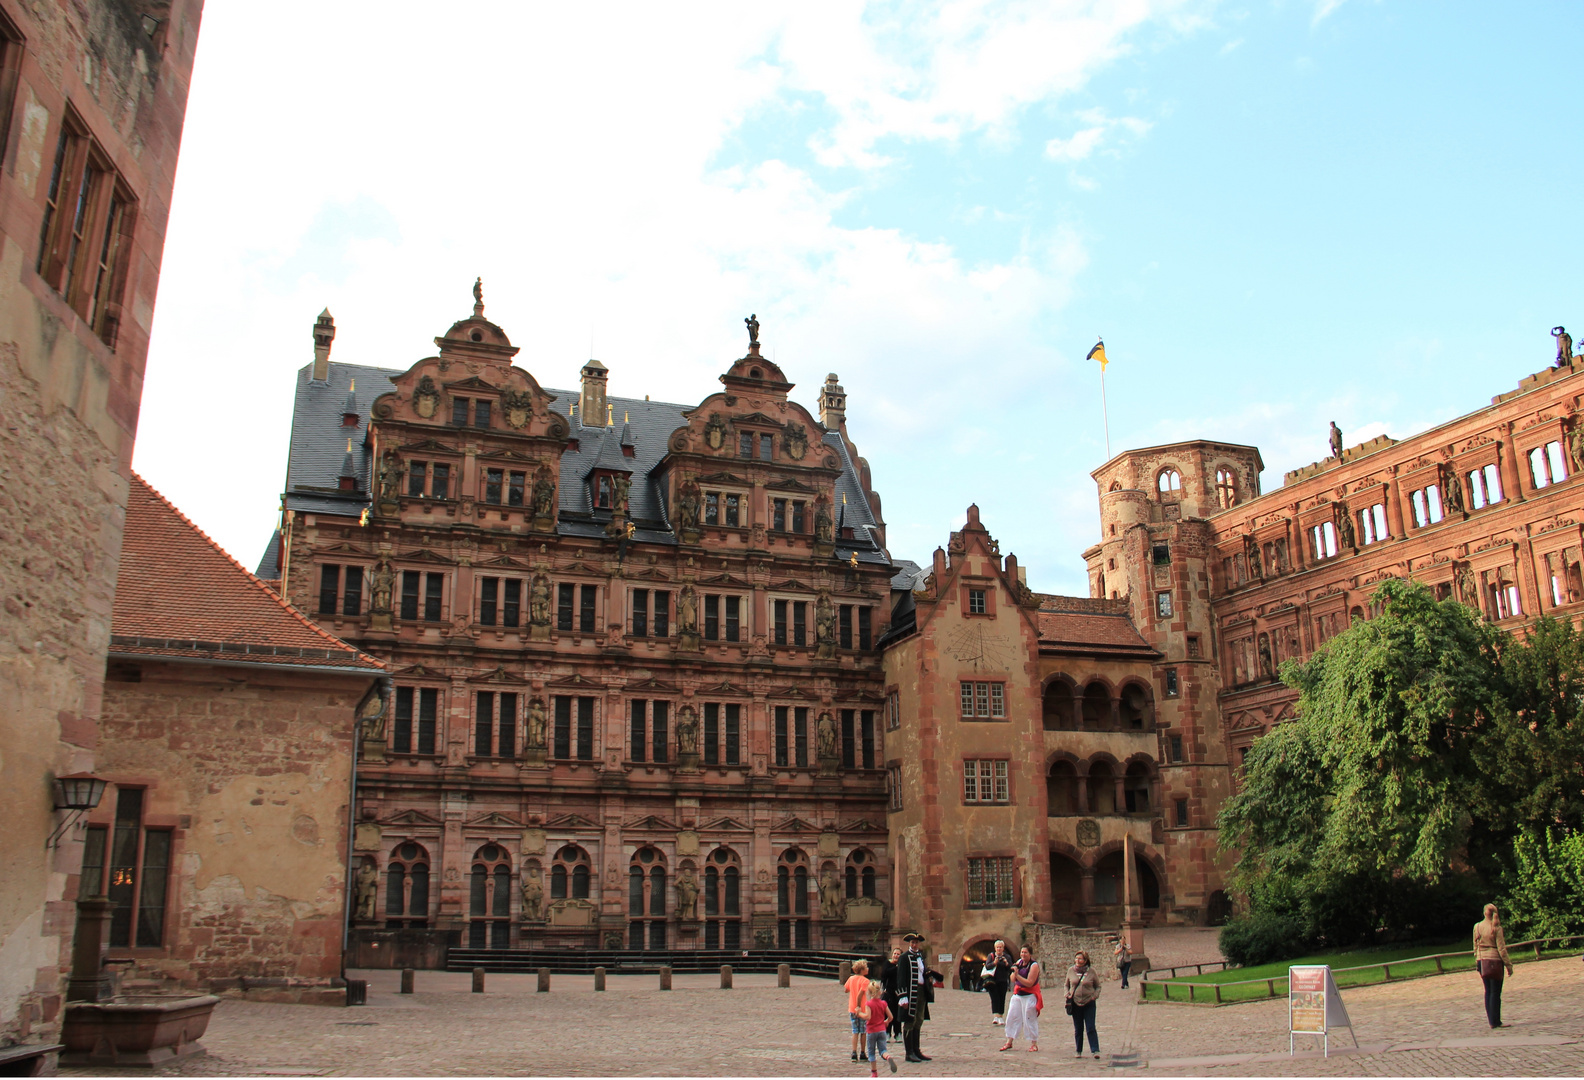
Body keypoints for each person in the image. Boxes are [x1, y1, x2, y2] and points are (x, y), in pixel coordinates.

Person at [899, 933, 942, 1063]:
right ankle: (909, 1052)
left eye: (916, 942)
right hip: (911, 992)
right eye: (912, 942)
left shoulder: (920, 957)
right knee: (910, 1020)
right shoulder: (904, 957)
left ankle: (916, 1050)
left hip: (921, 991)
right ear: (909, 943)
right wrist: (903, 996)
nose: (914, 944)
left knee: (919, 1019)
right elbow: (900, 978)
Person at [1474, 903, 1514, 1028]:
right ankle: (1496, 1020)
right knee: (1496, 992)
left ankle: (1491, 1019)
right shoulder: (1496, 927)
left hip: (1482, 960)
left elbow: (1475, 945)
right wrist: (1508, 964)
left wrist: (1477, 959)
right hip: (1494, 960)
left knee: (1488, 991)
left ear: (1484, 913)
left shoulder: (1477, 926)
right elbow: (1501, 948)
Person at [999, 945, 1041, 1053]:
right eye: (1022, 952)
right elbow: (1012, 979)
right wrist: (1015, 973)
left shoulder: (1033, 965)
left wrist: (1018, 976)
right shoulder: (1019, 963)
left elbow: (1029, 982)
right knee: (1012, 1016)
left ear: (1030, 954)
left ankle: (1033, 1043)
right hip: (1018, 994)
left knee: (1029, 1018)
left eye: (1025, 952)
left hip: (1029, 994)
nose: (1023, 954)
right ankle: (1009, 1040)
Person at [1065, 949, 1102, 1059]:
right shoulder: (1071, 971)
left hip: (1088, 1002)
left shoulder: (1091, 972)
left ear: (1085, 960)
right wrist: (1067, 994)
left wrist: (1094, 996)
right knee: (1078, 1028)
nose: (1077, 960)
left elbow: (1098, 986)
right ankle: (1078, 1050)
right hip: (1075, 1003)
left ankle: (1095, 1050)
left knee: (1090, 1027)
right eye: (1076, 958)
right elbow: (1066, 984)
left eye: (1080, 958)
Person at [858, 978, 897, 1075]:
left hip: (872, 1031)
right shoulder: (883, 1003)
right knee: (883, 1050)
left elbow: (868, 1016)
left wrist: (859, 1014)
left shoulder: (869, 1004)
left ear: (869, 993)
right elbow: (891, 1017)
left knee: (871, 1052)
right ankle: (888, 1057)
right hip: (881, 1030)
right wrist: (886, 1022)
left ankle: (874, 1073)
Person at [844, 959, 872, 1062]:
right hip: (861, 1009)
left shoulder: (851, 978)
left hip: (851, 1008)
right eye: (866, 967)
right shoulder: (865, 981)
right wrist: (859, 1006)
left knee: (855, 1031)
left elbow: (846, 989)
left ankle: (854, 1052)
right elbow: (861, 994)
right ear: (862, 970)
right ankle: (862, 1052)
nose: (868, 969)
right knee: (863, 1031)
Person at [982, 940, 1012, 1026]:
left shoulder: (1007, 957)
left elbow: (1010, 968)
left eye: (1000, 947)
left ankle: (1000, 1016)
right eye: (997, 947)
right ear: (995, 948)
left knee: (1002, 998)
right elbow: (987, 966)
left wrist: (1006, 963)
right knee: (994, 998)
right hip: (992, 981)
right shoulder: (991, 956)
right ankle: (995, 1016)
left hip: (1002, 980)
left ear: (1003, 948)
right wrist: (994, 963)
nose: (999, 949)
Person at [881, 947, 904, 1040]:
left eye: (898, 954)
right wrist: (896, 967)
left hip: (898, 992)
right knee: (888, 1012)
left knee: (897, 1013)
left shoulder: (902, 966)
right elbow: (885, 974)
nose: (896, 956)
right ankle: (887, 1032)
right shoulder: (888, 964)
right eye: (895, 954)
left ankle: (898, 1033)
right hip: (889, 992)